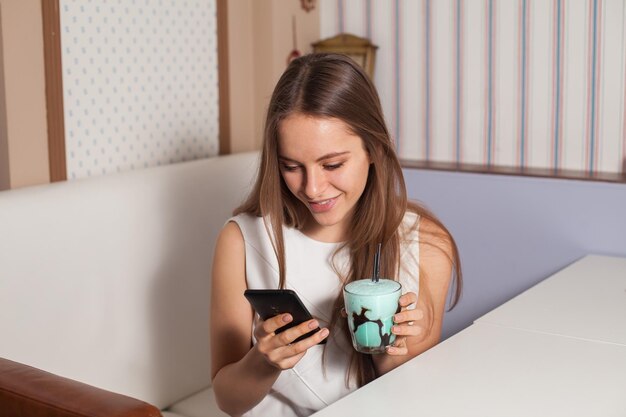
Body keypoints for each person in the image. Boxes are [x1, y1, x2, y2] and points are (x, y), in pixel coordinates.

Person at [210, 53, 462, 417]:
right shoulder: (242, 241)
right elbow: (228, 401)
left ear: (374, 149)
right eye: (291, 167)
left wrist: (396, 348)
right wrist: (263, 362)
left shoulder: (427, 243)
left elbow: (408, 399)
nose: (313, 188)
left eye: (332, 165)